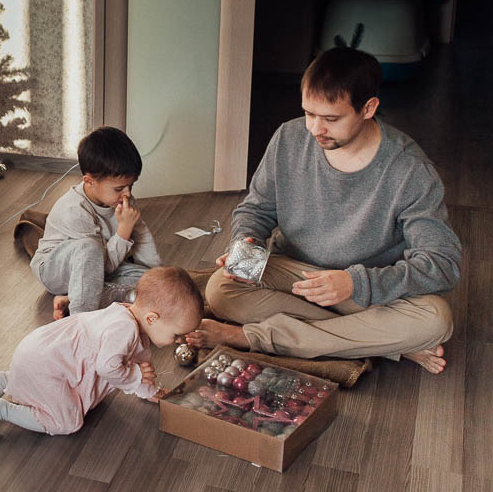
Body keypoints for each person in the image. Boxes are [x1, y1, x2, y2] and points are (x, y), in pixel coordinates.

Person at [186, 47, 459, 374]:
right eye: (309, 113)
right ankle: (386, 344)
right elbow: (256, 209)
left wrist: (355, 284)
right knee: (220, 289)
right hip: (294, 274)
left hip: (362, 289)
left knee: (436, 319)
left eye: (331, 119)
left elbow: (443, 264)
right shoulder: (289, 138)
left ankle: (254, 337)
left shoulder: (410, 171)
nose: (315, 129)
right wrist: (246, 244)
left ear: (368, 108)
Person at [0, 266, 203, 434]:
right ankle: (5, 410)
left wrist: (146, 389)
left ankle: (5, 380)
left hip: (38, 354)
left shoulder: (131, 318)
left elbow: (139, 363)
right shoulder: (124, 330)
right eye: (176, 334)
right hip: (44, 366)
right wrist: (135, 377)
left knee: (101, 381)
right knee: (67, 423)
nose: (178, 341)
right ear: (152, 318)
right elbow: (107, 367)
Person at [31, 127, 163, 320]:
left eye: (131, 186)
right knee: (90, 248)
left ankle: (72, 299)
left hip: (100, 266)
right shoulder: (74, 210)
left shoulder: (121, 199)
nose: (127, 194)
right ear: (89, 181)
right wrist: (124, 230)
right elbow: (101, 264)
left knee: (153, 284)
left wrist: (157, 276)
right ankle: (81, 319)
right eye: (119, 188)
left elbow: (141, 235)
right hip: (56, 270)